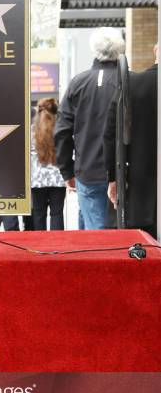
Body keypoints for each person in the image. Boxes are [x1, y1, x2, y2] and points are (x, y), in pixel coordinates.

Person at [54, 27, 125, 230]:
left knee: (94, 235)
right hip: (121, 172)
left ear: (94, 49)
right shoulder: (127, 81)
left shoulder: (78, 83)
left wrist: (67, 171)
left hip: (87, 170)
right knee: (117, 236)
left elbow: (62, 131)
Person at [104, 45, 158, 238]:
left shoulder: (132, 85)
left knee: (143, 257)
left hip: (140, 193)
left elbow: (110, 135)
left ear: (155, 50)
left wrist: (113, 178)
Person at [31, 98, 66, 230]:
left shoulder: (31, 131)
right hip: (58, 179)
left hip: (36, 180)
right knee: (57, 214)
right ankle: (58, 247)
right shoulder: (61, 129)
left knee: (39, 214)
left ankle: (40, 247)